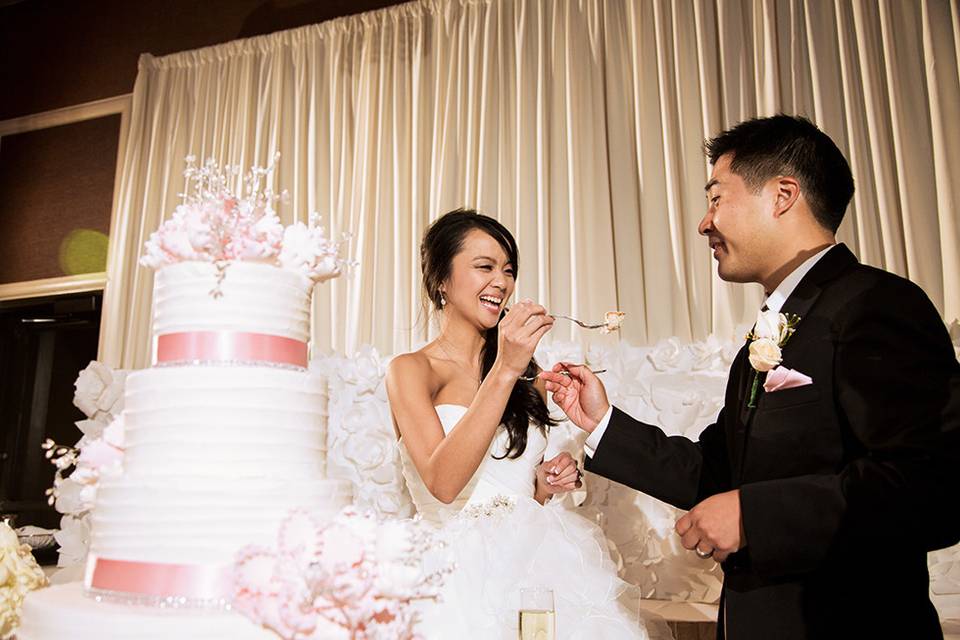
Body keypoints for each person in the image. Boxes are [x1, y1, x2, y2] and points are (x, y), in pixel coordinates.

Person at [542, 115, 960, 640]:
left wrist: (755, 517)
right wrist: (602, 422)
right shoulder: (767, 336)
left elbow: (935, 486)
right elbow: (720, 472)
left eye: (717, 198)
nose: (703, 222)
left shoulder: (876, 305)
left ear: (783, 194)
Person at [386, 209, 669, 639]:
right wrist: (505, 367)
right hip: (452, 574)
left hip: (539, 560)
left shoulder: (528, 378)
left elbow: (513, 489)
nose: (501, 282)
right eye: (484, 267)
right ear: (441, 280)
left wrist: (545, 484)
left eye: (509, 270)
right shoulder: (411, 370)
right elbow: (443, 483)